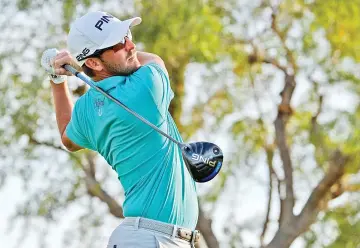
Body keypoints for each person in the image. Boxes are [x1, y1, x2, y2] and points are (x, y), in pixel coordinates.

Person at [41, 11, 200, 248]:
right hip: (151, 239)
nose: (131, 45)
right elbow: (155, 60)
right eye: (118, 43)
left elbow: (67, 137)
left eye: (127, 35)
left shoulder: (87, 109)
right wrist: (76, 64)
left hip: (147, 238)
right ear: (94, 62)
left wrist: (57, 80)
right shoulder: (146, 88)